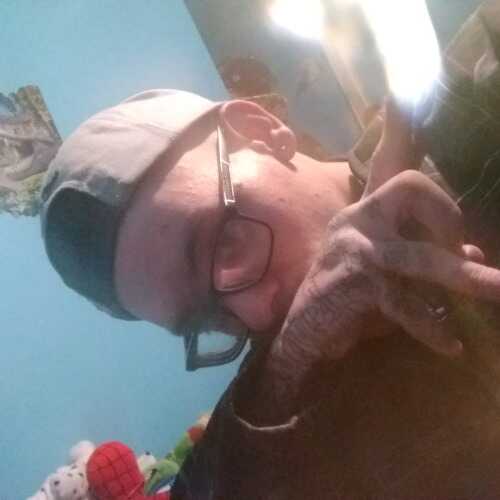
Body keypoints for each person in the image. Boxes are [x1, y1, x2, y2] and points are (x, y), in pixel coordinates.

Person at [40, 1, 500, 498]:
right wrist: (292, 355)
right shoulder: (284, 401)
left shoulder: (474, 88)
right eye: (209, 319)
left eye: (226, 243)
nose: (259, 312)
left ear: (258, 129)